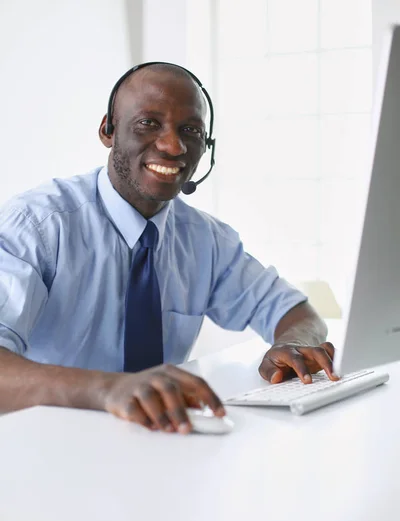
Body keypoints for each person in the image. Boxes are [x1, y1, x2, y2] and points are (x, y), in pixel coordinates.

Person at [0, 62, 337, 434]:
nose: (172, 145)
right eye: (149, 123)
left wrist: (291, 346)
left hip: (162, 445)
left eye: (190, 130)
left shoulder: (206, 239)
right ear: (107, 130)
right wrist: (109, 389)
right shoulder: (39, 224)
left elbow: (298, 313)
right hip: (45, 448)